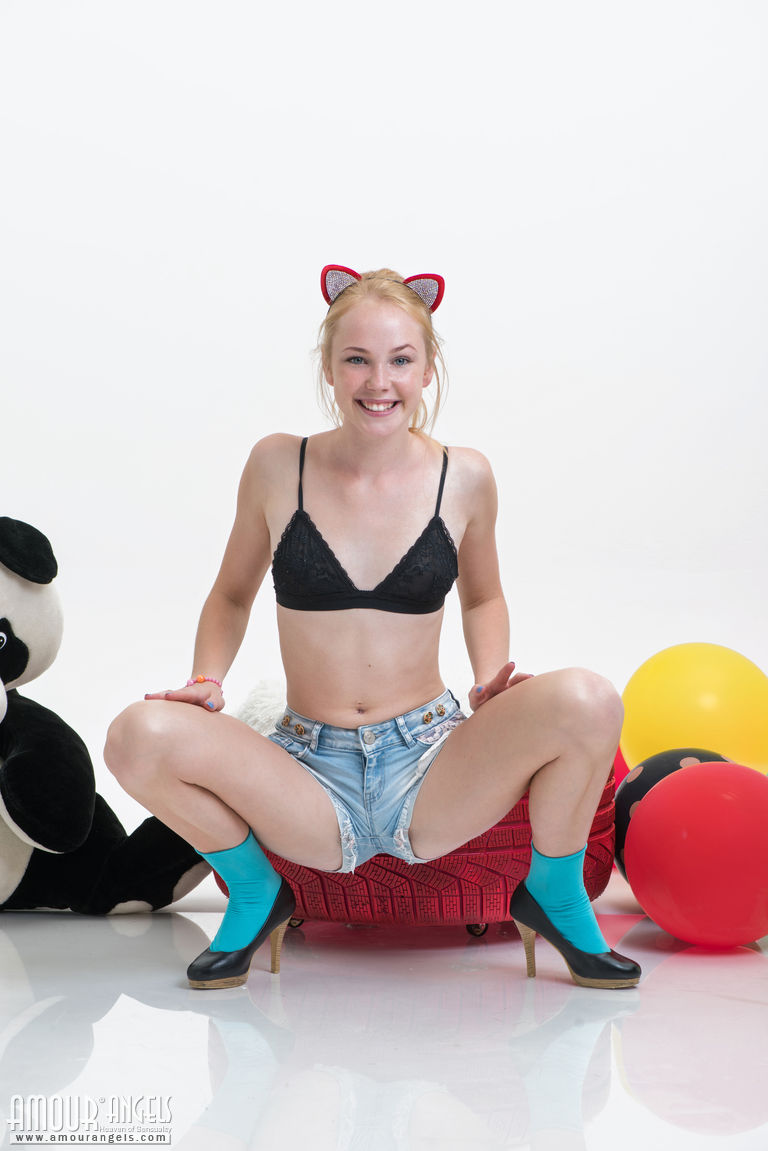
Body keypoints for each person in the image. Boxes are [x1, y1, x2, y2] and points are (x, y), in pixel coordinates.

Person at [104, 266, 641, 991]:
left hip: (431, 762)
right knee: (135, 736)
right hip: (306, 771)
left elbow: (483, 597)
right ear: (329, 366)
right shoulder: (277, 464)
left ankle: (554, 891)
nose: (378, 381)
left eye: (400, 360)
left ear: (427, 368)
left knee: (591, 700)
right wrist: (206, 679)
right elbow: (231, 594)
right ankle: (258, 888)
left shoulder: (465, 476)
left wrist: (491, 679)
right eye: (357, 358)